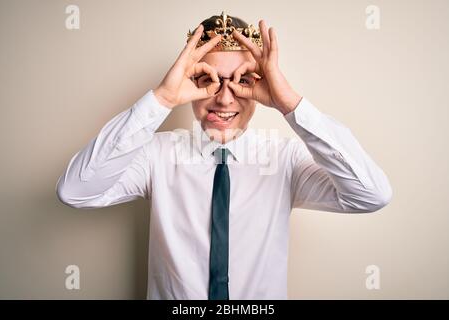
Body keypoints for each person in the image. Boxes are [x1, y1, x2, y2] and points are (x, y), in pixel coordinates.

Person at [55, 12, 392, 300]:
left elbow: (371, 195)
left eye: (242, 80)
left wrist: (289, 102)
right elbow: (75, 191)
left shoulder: (286, 160)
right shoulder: (156, 156)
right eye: (208, 79)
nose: (225, 99)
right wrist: (162, 98)